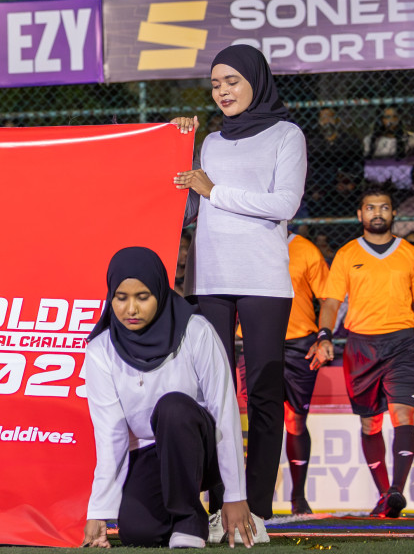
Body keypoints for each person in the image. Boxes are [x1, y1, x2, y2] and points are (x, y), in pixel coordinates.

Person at [172, 44, 304, 533]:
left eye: (232, 80)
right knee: (212, 394)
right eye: (215, 84)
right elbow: (190, 206)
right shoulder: (209, 141)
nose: (223, 91)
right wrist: (176, 149)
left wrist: (213, 191)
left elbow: (284, 204)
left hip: (264, 279)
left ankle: (260, 512)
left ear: (256, 80)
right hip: (210, 279)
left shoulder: (286, 134)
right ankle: (219, 506)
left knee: (266, 394)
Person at [80, 247, 253, 550]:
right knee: (139, 534)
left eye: (142, 297)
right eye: (121, 297)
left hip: (199, 447)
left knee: (173, 407)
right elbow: (111, 434)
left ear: (160, 291)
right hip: (149, 451)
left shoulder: (196, 332)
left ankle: (190, 519)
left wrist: (234, 496)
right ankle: (177, 517)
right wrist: (99, 512)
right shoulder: (100, 350)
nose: (130, 309)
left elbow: (224, 410)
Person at [309, 187, 414, 518]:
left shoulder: (410, 253)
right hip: (360, 346)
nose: (377, 213)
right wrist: (324, 335)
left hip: (401, 344)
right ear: (360, 215)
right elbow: (331, 302)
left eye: (384, 208)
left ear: (393, 213)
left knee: (402, 415)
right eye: (370, 208)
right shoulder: (346, 254)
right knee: (370, 424)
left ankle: (396, 488)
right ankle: (385, 494)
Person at [280, 230, 330, 514]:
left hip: (300, 344)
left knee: (296, 421)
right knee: (264, 420)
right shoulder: (245, 242)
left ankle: (298, 497)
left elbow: (329, 297)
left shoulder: (306, 250)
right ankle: (252, 497)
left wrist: (324, 337)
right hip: (253, 340)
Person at [307, 108, 362, 202]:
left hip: (345, 187)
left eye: (330, 117)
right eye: (323, 118)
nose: (326, 121)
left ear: (337, 120)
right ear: (319, 122)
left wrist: (352, 182)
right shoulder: (313, 143)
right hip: (321, 188)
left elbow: (358, 165)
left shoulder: (349, 141)